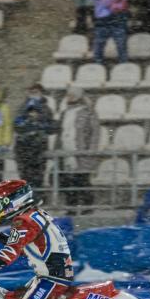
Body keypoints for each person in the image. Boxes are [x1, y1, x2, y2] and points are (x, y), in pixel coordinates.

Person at [58, 86, 99, 214]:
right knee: (67, 180)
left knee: (82, 180)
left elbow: (94, 133)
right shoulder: (64, 113)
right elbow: (61, 133)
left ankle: (87, 207)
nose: (70, 97)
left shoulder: (89, 112)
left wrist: (91, 151)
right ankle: (71, 207)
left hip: (81, 151)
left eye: (73, 95)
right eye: (69, 95)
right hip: (66, 149)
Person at [13, 92, 58, 189]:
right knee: (25, 178)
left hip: (37, 156)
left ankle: (36, 196)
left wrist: (39, 127)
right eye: (30, 111)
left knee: (37, 178)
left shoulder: (42, 123)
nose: (33, 114)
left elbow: (53, 127)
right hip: (24, 156)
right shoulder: (22, 122)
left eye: (35, 111)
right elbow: (17, 127)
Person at [89, 0, 129, 64]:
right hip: (101, 17)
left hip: (118, 16)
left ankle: (123, 68)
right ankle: (98, 69)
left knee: (121, 45)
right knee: (98, 46)